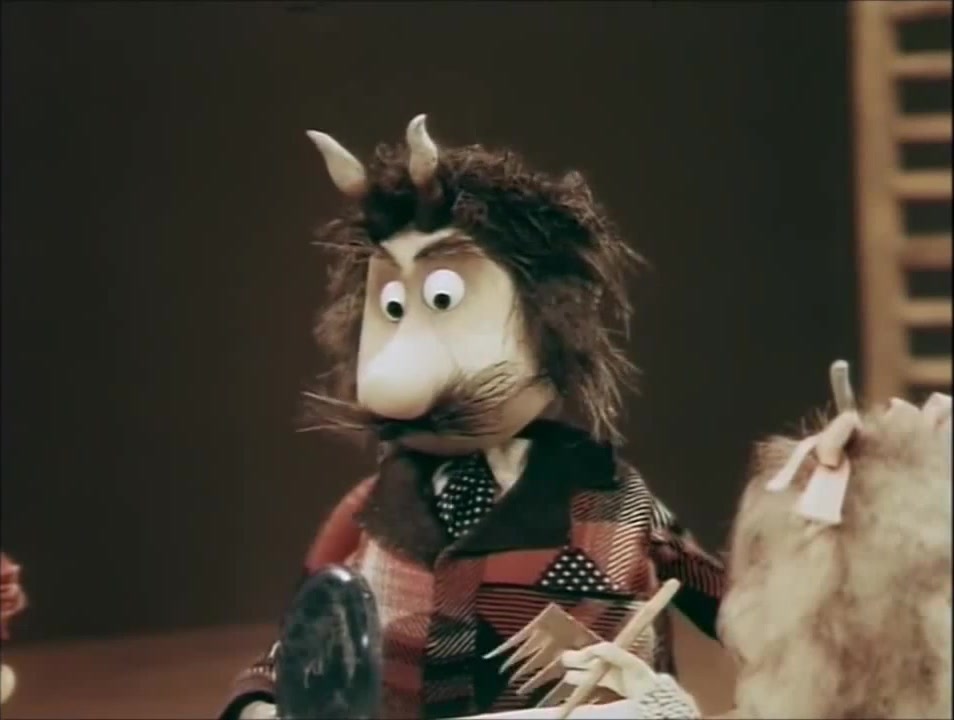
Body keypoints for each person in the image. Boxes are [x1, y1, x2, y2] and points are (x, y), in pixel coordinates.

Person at [222, 115, 725, 720]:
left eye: (442, 298)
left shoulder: (612, 502)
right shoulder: (369, 513)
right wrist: (260, 699)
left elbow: (740, 611)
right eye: (392, 305)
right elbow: (312, 636)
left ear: (551, 317)